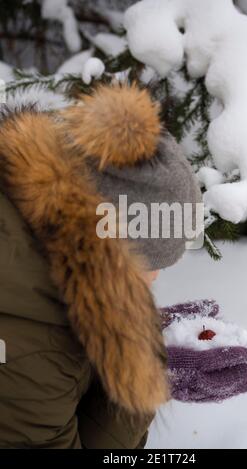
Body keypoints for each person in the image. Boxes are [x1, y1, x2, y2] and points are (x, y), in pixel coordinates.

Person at [0, 82, 202, 448]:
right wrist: (142, 384)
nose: (154, 279)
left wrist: (127, 337)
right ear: (102, 249)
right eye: (146, 262)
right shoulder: (32, 351)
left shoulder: (29, 254)